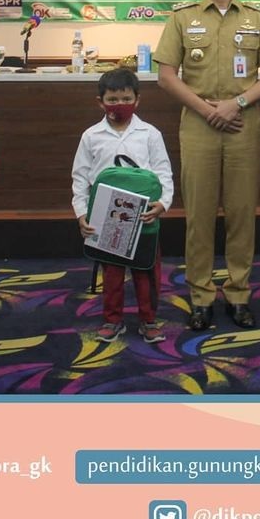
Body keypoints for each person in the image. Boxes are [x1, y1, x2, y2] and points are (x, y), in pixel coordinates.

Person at [153, 0, 260, 331]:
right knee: (199, 214)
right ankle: (201, 296)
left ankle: (239, 293)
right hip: (199, 125)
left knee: (242, 213)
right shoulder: (182, 18)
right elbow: (166, 76)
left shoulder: (258, 19)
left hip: (243, 123)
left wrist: (236, 104)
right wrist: (208, 109)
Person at [71, 68, 174, 341]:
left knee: (146, 271)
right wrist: (81, 213)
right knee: (112, 273)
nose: (120, 104)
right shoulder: (91, 136)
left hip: (144, 215)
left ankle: (149, 319)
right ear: (100, 102)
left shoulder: (150, 134)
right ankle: (112, 319)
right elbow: (80, 177)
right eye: (113, 99)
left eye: (126, 99)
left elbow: (164, 172)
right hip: (106, 215)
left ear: (137, 100)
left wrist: (163, 204)